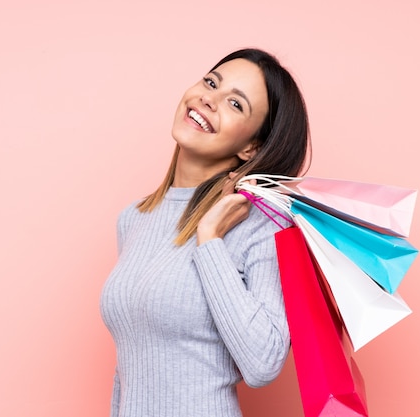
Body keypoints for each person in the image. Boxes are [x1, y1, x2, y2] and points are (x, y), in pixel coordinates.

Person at [100, 48, 310, 417]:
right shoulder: (133, 219)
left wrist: (210, 237)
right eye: (211, 82)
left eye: (235, 104)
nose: (208, 99)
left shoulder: (263, 224)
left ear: (252, 147)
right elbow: (129, 370)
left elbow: (264, 363)